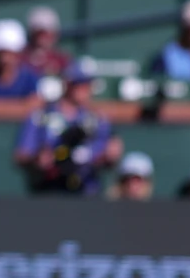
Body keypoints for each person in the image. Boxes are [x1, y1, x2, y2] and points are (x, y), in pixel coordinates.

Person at [12, 64, 122, 195]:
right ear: (66, 84)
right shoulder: (41, 116)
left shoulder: (98, 119)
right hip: (49, 189)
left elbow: (106, 158)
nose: (84, 89)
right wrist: (37, 160)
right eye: (79, 84)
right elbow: (21, 155)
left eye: (88, 85)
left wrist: (110, 156)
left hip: (86, 189)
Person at [20, 6, 72, 77]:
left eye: (46, 33)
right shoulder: (21, 59)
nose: (42, 38)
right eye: (39, 33)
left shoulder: (62, 60)